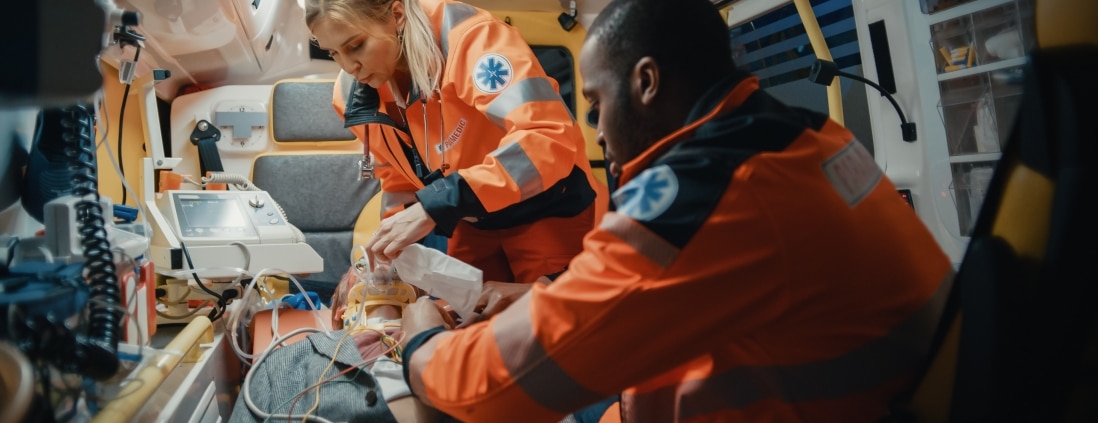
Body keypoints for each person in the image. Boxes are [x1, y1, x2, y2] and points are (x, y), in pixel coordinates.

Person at [395, 0, 956, 421]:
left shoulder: (710, 189)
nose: (594, 129)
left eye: (596, 103)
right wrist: (537, 295)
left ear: (645, 83)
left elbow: (496, 390)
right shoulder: (805, 138)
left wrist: (422, 346)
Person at [305, 0, 607, 284]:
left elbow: (547, 138)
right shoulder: (351, 97)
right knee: (461, 319)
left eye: (355, 46)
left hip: (547, 207)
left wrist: (435, 206)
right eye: (333, 53)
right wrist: (388, 253)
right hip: (471, 217)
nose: (348, 67)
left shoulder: (473, 40)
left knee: (541, 328)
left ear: (396, 15)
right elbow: (398, 179)